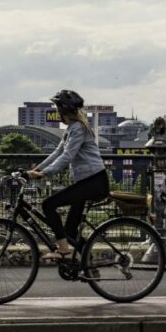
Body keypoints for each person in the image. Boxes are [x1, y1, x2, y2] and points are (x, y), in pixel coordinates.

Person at [27, 89, 109, 260]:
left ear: (63, 110)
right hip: (87, 182)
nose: (57, 112)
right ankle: (89, 264)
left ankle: (63, 249)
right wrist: (36, 170)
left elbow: (67, 156)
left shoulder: (78, 128)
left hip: (93, 182)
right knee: (70, 231)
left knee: (48, 205)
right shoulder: (71, 129)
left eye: (58, 108)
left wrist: (44, 174)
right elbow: (57, 153)